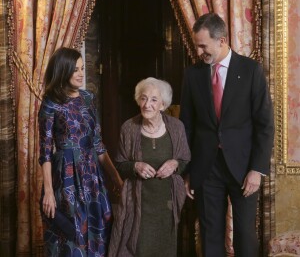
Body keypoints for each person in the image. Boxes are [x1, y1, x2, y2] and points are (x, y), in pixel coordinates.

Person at [180, 13, 274, 257]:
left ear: (221, 41)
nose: (199, 51)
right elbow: (187, 125)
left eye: (203, 45)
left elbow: (265, 125)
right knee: (210, 233)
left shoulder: (251, 70)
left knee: (244, 233)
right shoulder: (193, 75)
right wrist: (188, 170)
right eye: (197, 45)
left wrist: (257, 169)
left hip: (243, 168)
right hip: (206, 167)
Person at [39, 47, 122, 256]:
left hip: (92, 175)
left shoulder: (88, 98)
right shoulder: (51, 103)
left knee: (100, 225)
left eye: (82, 68)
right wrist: (48, 191)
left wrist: (116, 179)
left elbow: (98, 144)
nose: (81, 73)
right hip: (65, 176)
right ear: (63, 70)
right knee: (72, 232)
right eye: (75, 69)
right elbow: (46, 151)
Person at [108, 77, 191, 257]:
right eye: (144, 98)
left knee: (165, 251)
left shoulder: (177, 127)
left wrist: (175, 163)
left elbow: (185, 160)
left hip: (167, 204)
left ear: (163, 104)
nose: (147, 105)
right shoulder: (129, 128)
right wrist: (135, 166)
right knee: (139, 248)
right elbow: (120, 164)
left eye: (154, 100)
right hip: (138, 203)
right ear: (138, 100)